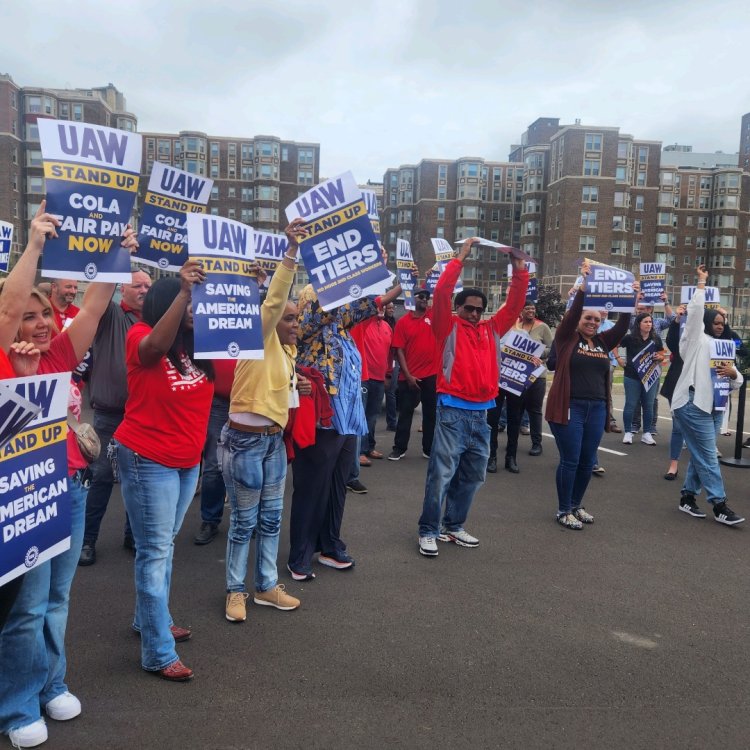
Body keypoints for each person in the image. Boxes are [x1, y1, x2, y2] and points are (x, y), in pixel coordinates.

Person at [0, 210, 138, 749]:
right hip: (23, 498)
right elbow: (9, 304)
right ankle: (16, 707)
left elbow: (97, 305)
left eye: (43, 314)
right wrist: (35, 246)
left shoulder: (58, 353)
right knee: (27, 606)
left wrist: (116, 257)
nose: (36, 322)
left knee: (57, 599)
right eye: (25, 315)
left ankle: (50, 684)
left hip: (70, 486)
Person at [114, 258, 215, 682]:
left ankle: (149, 619)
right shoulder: (141, 336)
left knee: (164, 546)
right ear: (164, 303)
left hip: (185, 462)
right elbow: (155, 348)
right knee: (154, 552)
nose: (192, 310)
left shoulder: (193, 347)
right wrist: (184, 293)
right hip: (147, 458)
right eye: (183, 304)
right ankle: (157, 651)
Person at [288, 271, 403, 579]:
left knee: (338, 484)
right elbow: (319, 313)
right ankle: (300, 553)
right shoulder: (307, 330)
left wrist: (398, 278)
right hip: (321, 420)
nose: (345, 306)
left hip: (348, 419)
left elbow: (371, 302)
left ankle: (329, 545)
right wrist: (337, 287)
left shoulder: (343, 328)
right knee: (312, 486)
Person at [417, 238, 528, 556]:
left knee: (473, 475)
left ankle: (453, 526)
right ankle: (428, 529)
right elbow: (440, 293)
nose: (475, 314)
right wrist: (460, 258)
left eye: (479, 310)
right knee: (441, 474)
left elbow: (514, 306)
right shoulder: (445, 325)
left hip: (483, 414)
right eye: (469, 309)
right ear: (458, 308)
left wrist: (519, 270)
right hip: (452, 410)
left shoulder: (491, 329)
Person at [220, 220, 306, 623]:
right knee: (244, 521)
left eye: (297, 319)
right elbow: (274, 301)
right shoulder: (259, 334)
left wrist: (296, 386)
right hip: (243, 442)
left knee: (271, 519)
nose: (295, 324)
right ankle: (235, 591)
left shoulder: (287, 353)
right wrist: (290, 253)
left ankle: (266, 586)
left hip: (272, 443)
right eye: (289, 319)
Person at [545, 262, 635, 529]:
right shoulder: (565, 338)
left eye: (597, 319)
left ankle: (576, 505)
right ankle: (563, 510)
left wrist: (631, 298)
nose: (592, 322)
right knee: (571, 459)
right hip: (568, 407)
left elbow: (622, 325)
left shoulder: (603, 342)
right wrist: (583, 290)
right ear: (580, 320)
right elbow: (571, 316)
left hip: (596, 408)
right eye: (588, 318)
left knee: (587, 461)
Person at [0, 204, 55, 636]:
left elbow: (19, 430)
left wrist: (23, 381)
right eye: (25, 317)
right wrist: (34, 244)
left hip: (14, 504)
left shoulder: (14, 359)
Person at [78, 269, 152, 566]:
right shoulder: (110, 315)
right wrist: (116, 258)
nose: (145, 290)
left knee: (138, 479)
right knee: (101, 478)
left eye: (149, 285)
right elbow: (98, 296)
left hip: (141, 416)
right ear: (123, 288)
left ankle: (131, 534)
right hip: (109, 415)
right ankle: (87, 540)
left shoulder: (151, 322)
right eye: (138, 285)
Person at [672, 266, 744, 524]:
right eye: (715, 321)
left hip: (716, 408)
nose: (718, 326)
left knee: (700, 454)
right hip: (693, 405)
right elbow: (694, 314)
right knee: (708, 455)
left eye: (722, 324)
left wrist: (734, 374)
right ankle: (720, 504)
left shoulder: (725, 347)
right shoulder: (694, 340)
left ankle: (688, 498)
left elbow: (736, 382)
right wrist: (701, 284)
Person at [488, 299, 552, 474]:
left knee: (515, 420)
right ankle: (491, 457)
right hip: (496, 382)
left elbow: (537, 354)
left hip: (516, 383)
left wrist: (536, 359)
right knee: (492, 420)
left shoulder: (523, 335)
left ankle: (511, 457)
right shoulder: (493, 332)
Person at [388, 287, 438, 461]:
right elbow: (399, 350)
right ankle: (399, 448)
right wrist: (408, 376)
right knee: (406, 413)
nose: (425, 299)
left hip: (432, 375)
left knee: (431, 414)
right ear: (412, 299)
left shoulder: (433, 316)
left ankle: (429, 448)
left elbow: (444, 297)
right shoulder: (403, 322)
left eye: (427, 297)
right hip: (408, 377)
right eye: (421, 296)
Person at [193, 359, 235, 545]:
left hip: (252, 400)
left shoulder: (258, 329)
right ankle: (210, 520)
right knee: (213, 465)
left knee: (248, 465)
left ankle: (248, 520)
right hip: (217, 400)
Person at [619, 313, 665, 446]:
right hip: (632, 376)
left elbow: (662, 352)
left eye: (650, 322)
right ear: (638, 323)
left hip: (650, 376)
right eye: (646, 322)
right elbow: (614, 345)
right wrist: (618, 359)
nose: (649, 324)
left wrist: (660, 357)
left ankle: (647, 433)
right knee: (630, 405)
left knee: (648, 405)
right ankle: (628, 432)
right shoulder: (629, 338)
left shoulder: (656, 339)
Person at [659, 305, 686, 481]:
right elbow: (671, 342)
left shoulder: (707, 341)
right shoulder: (681, 343)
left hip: (699, 388)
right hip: (677, 385)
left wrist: (724, 319)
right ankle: (673, 465)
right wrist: (677, 320)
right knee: (677, 427)